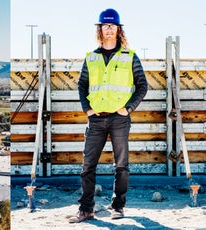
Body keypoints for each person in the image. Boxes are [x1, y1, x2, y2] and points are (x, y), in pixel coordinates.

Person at [68, 8, 148, 223]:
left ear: (118, 29)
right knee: (88, 166)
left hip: (119, 119)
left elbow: (142, 86)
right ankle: (86, 210)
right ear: (100, 29)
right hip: (95, 119)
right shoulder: (91, 57)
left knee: (121, 165)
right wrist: (87, 109)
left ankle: (118, 207)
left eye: (113, 26)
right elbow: (82, 85)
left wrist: (128, 109)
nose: (109, 29)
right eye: (106, 25)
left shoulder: (130, 57)